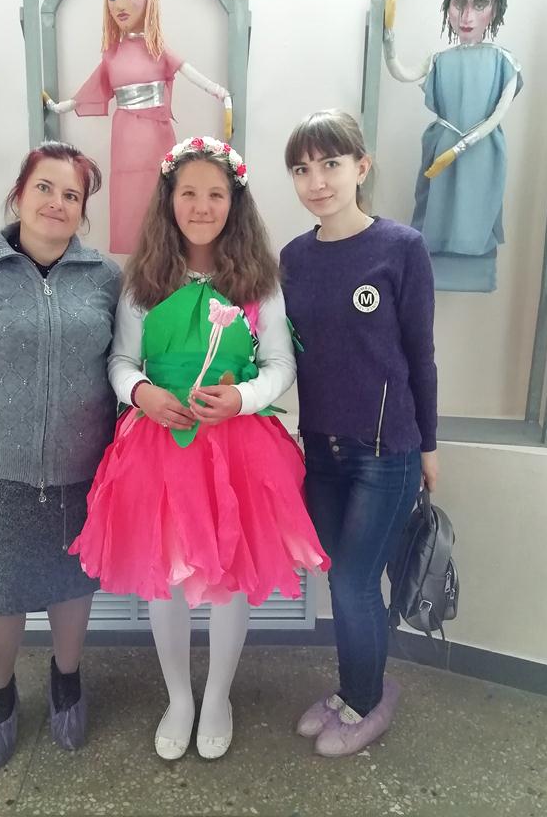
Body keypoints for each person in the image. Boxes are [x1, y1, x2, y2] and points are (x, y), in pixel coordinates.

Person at [68, 135, 329, 760]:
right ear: (169, 200)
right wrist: (142, 394)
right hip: (159, 445)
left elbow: (280, 365)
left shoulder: (259, 281)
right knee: (168, 575)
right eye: (188, 193)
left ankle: (217, 697)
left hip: (237, 448)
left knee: (229, 577)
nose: (202, 206)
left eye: (216, 194)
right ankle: (178, 698)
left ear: (235, 202)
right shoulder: (144, 279)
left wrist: (242, 397)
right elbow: (121, 360)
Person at [0, 141, 121, 769]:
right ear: (19, 193)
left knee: (72, 585)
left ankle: (67, 680)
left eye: (71, 194)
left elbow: (121, 363)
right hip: (2, 471)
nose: (56, 203)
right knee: (0, 592)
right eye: (45, 187)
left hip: (82, 471)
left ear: (83, 210)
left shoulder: (106, 279)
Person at [280, 110, 438, 757]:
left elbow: (420, 356)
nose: (316, 181)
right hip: (320, 452)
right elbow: (284, 352)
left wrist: (429, 446)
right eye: (301, 169)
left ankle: (367, 701)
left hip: (386, 453)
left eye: (331, 164)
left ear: (361, 168)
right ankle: (354, 689)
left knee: (353, 583)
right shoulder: (293, 258)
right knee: (342, 581)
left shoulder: (402, 248)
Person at [44, 0, 230, 254]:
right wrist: (57, 107)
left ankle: (164, 254)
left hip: (156, 134)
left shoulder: (158, 49)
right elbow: (88, 91)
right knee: (128, 196)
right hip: (125, 137)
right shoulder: (112, 55)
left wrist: (220, 93)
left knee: (160, 190)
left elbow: (190, 72)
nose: (120, 3)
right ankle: (137, 261)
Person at [382, 0, 522, 291]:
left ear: (494, 11)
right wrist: (388, 35)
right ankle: (429, 272)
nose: (467, 16)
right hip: (441, 146)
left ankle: (473, 274)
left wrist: (462, 147)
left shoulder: (504, 61)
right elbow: (401, 71)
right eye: (459, 4)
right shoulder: (439, 59)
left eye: (479, 4)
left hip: (480, 150)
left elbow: (497, 115)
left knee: (476, 212)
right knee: (435, 210)